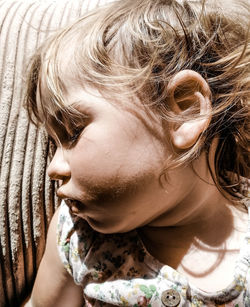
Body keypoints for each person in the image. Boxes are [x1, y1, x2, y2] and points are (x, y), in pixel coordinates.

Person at [24, 0, 250, 305]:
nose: (53, 168)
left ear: (183, 113)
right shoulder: (75, 237)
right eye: (53, 144)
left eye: (73, 132)